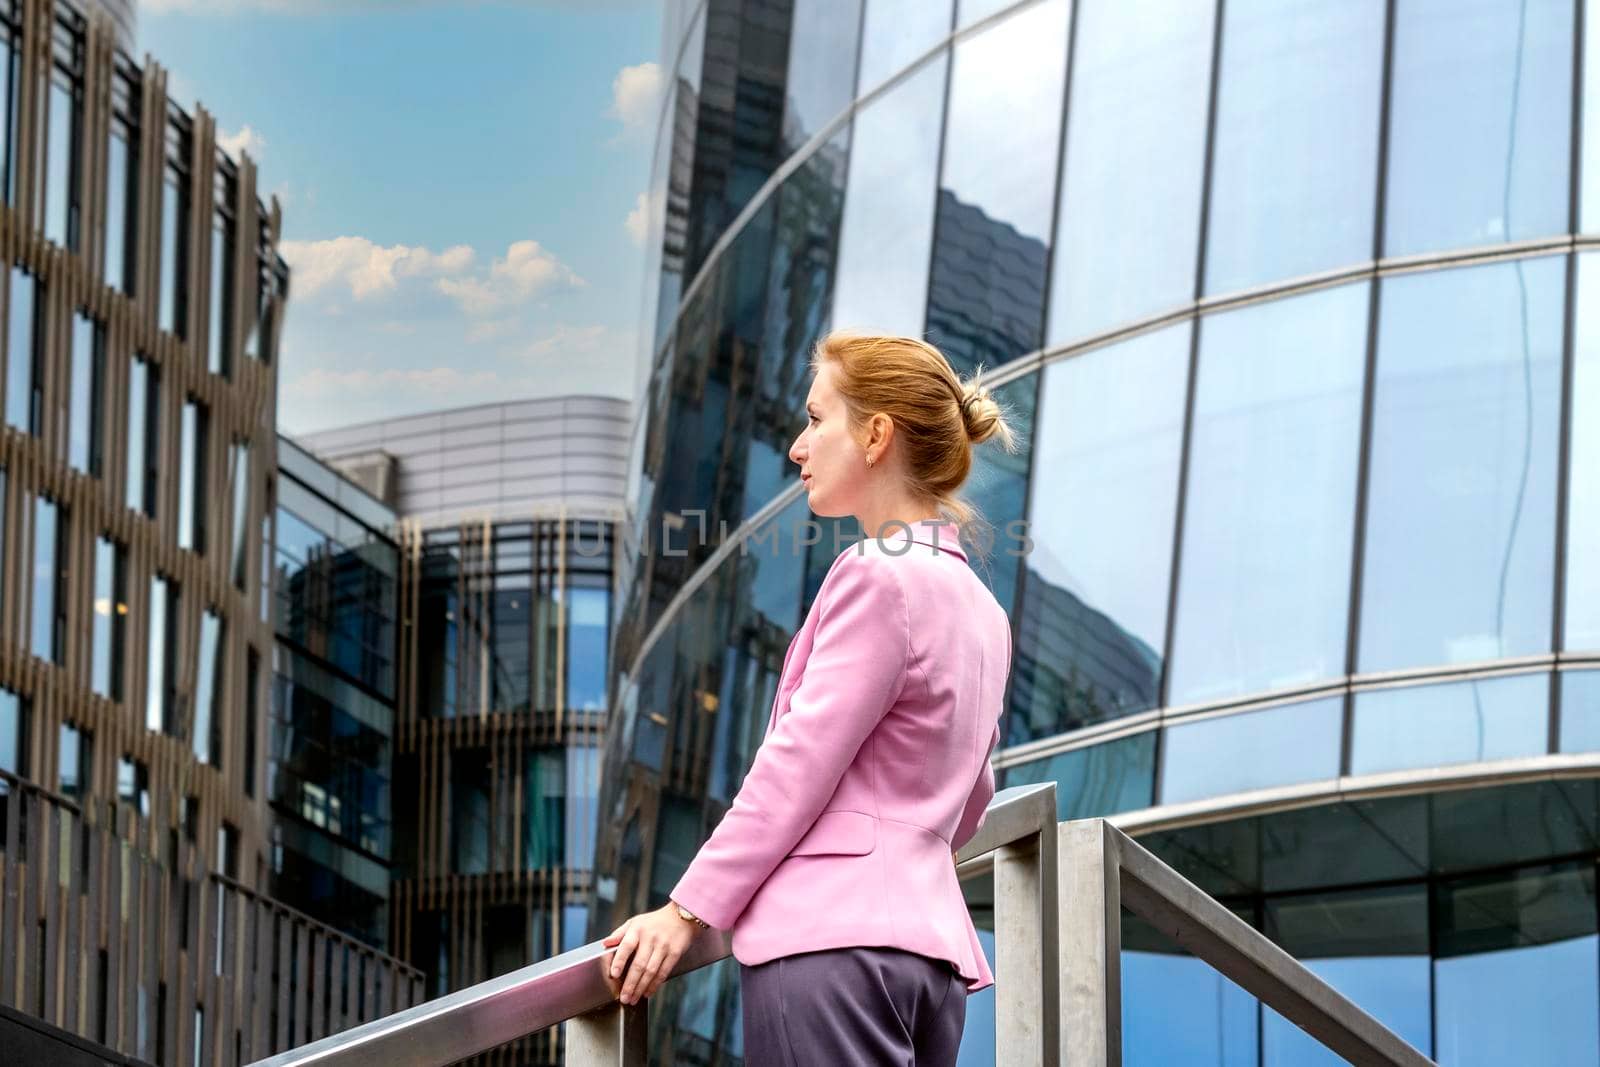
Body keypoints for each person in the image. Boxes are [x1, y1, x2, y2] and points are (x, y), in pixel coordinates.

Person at [602, 331, 1018, 1065]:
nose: (798, 446)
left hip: (833, 945)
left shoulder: (877, 575)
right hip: (930, 962)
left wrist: (685, 909)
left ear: (877, 434)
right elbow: (973, 794)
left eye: (817, 418)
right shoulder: (984, 610)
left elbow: (798, 763)